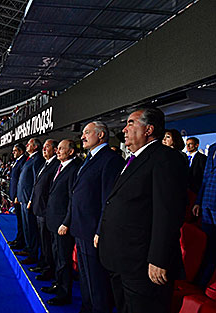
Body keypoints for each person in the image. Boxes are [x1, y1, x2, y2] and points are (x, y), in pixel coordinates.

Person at [99, 107, 187, 313]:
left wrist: (158, 258)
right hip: (122, 259)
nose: (125, 129)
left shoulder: (166, 158)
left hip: (143, 265)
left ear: (148, 129)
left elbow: (168, 214)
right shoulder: (134, 159)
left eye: (131, 123)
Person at [69, 121, 125, 313]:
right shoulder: (90, 158)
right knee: (85, 279)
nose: (82, 136)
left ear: (101, 135)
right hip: (81, 228)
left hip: (93, 231)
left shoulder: (110, 159)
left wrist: (100, 230)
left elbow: (108, 200)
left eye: (86, 133)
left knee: (97, 283)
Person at [42, 139, 82, 306]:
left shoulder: (73, 169)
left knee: (64, 260)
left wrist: (66, 222)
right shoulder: (61, 167)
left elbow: (72, 199)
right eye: (57, 149)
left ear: (71, 151)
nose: (57, 151)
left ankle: (64, 293)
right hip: (53, 221)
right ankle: (58, 284)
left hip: (62, 224)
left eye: (61, 149)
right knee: (57, 257)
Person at [27, 139, 60, 280]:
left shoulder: (56, 164)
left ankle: (48, 269)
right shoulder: (45, 163)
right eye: (44, 147)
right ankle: (43, 263)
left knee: (47, 243)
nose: (44, 149)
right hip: (38, 207)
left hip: (46, 210)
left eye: (47, 147)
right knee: (42, 241)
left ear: (54, 149)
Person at [15, 138, 45, 265]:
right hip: (23, 197)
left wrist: (31, 199)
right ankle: (27, 248)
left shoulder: (37, 159)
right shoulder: (30, 158)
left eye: (29, 144)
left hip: (28, 198)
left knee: (31, 227)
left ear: (35, 147)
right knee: (26, 226)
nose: (26, 146)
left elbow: (35, 181)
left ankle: (32, 253)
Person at [193, 143, 216, 286]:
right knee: (205, 247)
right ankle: (199, 282)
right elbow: (205, 178)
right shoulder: (213, 148)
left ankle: (205, 284)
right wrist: (198, 201)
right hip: (207, 202)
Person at [7, 143, 27, 250]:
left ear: (20, 151)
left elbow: (21, 180)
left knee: (21, 221)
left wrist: (17, 196)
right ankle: (18, 239)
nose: (13, 152)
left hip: (18, 196)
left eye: (15, 151)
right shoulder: (18, 160)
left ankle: (21, 241)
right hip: (15, 195)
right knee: (19, 220)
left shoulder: (23, 161)